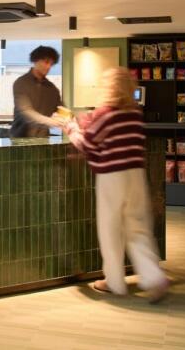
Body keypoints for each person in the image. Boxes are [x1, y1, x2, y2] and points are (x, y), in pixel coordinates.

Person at [65, 66, 169, 303]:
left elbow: (88, 145)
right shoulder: (134, 114)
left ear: (109, 88)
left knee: (110, 229)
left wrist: (71, 129)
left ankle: (114, 282)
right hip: (136, 174)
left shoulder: (105, 113)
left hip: (112, 176)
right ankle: (154, 278)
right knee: (138, 228)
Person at [10, 45, 63, 138]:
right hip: (20, 139)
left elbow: (61, 109)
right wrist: (50, 121)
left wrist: (74, 120)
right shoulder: (21, 83)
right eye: (46, 62)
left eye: (51, 64)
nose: (48, 67)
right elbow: (25, 111)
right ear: (35, 60)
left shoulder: (52, 89)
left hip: (43, 138)